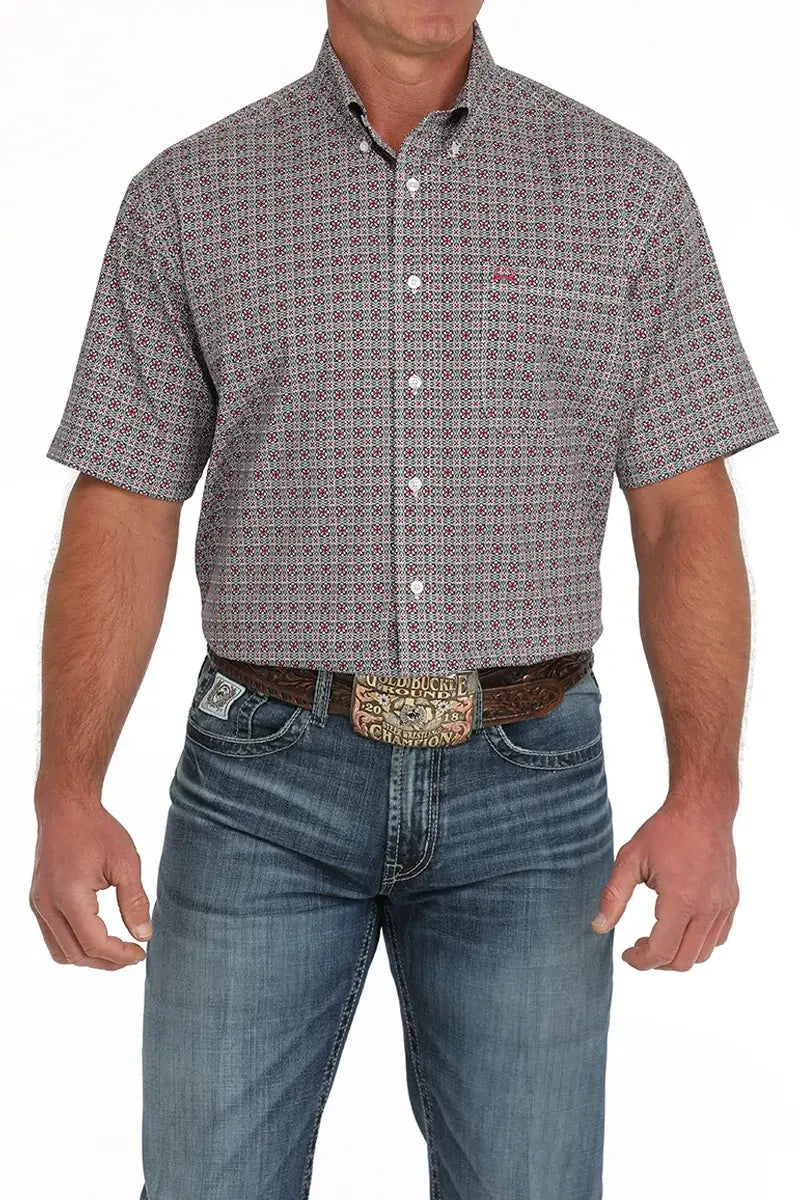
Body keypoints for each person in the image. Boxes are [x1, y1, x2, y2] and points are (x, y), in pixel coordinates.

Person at [31, 2, 779, 1197]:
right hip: (260, 783)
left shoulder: (625, 191)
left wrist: (705, 796)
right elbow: (123, 502)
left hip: (530, 794)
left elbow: (684, 511)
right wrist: (67, 792)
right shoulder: (190, 196)